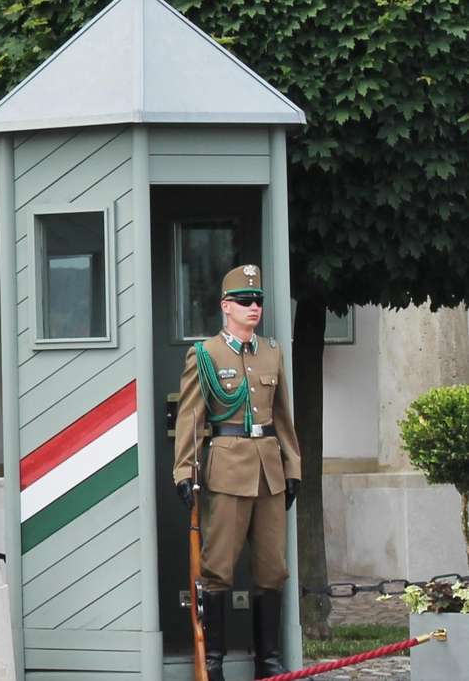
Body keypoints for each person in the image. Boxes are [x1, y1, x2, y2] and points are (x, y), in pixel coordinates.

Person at [173, 264, 301, 678]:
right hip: (226, 467)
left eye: (258, 300)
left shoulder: (272, 351)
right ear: (226, 306)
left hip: (269, 471)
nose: (254, 307)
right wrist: (183, 472)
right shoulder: (206, 355)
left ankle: (269, 662)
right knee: (218, 569)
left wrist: (292, 466)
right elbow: (191, 417)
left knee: (271, 568)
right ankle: (214, 662)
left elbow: (283, 417)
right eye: (245, 301)